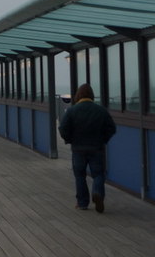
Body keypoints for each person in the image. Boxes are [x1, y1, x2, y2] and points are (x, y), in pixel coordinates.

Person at [59, 84, 116, 213]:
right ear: (92, 95)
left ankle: (82, 203)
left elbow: (63, 129)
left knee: (80, 175)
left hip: (78, 148)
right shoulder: (100, 110)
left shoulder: (72, 111)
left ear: (78, 95)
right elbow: (111, 128)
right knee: (98, 174)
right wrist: (103, 140)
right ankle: (97, 193)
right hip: (96, 147)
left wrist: (69, 140)